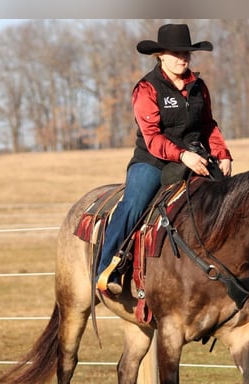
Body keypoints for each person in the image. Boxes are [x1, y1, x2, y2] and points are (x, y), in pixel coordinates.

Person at [96, 23, 233, 295]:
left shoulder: (198, 86)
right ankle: (106, 268)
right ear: (160, 55)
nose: (182, 58)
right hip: (153, 161)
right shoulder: (146, 88)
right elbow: (152, 136)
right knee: (134, 204)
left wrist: (222, 153)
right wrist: (183, 155)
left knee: (230, 201)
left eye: (186, 53)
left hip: (197, 157)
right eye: (175, 53)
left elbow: (208, 125)